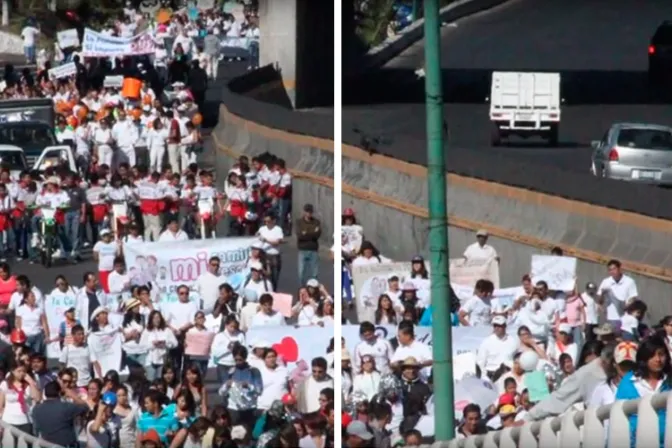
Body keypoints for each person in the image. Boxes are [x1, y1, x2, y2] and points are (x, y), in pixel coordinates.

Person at [32, 380, 90, 446]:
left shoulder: (36, 409)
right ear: (59, 393)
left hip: (46, 445)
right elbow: (85, 407)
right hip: (66, 444)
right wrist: (74, 396)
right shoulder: (66, 407)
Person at [296, 203, 321, 286]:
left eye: (310, 212)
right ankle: (302, 289)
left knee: (314, 273)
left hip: (313, 249)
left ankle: (313, 290)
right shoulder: (299, 222)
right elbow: (300, 235)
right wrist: (312, 233)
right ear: (304, 212)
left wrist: (306, 233)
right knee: (301, 273)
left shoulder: (316, 222)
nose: (309, 213)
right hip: (302, 249)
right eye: (307, 211)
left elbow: (317, 235)